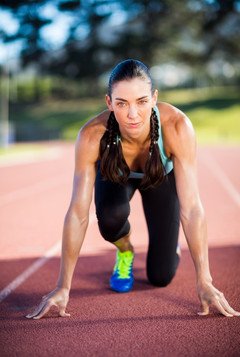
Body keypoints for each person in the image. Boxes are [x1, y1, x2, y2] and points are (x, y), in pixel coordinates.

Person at [26, 59, 239, 320]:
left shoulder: (178, 127)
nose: (132, 114)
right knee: (111, 217)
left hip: (161, 177)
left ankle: (170, 245)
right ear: (109, 102)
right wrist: (63, 286)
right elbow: (78, 213)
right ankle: (125, 251)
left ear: (154, 98)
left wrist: (204, 280)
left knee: (160, 277)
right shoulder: (92, 135)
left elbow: (192, 208)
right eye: (121, 103)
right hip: (116, 174)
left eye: (141, 101)